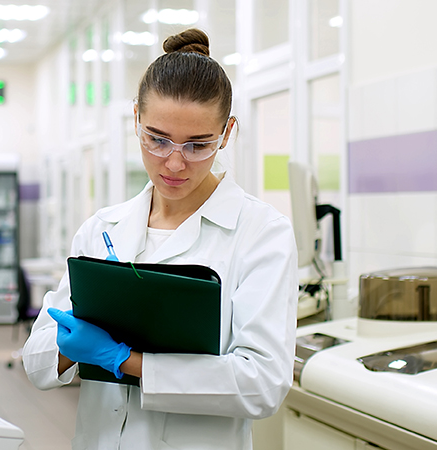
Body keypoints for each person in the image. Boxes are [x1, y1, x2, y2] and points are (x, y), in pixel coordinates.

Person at [22, 28, 298, 449]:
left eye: (198, 145)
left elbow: (261, 384)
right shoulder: (102, 230)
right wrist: (68, 347)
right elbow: (36, 362)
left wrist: (125, 361)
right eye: (157, 138)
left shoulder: (261, 234)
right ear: (136, 118)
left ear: (227, 133)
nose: (174, 162)